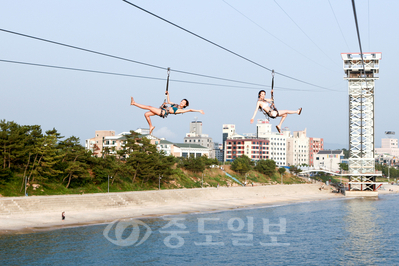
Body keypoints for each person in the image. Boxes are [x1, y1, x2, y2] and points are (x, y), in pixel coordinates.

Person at [131, 91, 204, 134]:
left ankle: (134, 103)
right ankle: (151, 126)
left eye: (183, 102)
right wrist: (167, 94)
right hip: (162, 110)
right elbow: (169, 102)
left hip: (163, 112)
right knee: (146, 114)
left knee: (149, 107)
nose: (182, 103)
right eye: (182, 101)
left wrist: (199, 110)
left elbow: (190, 110)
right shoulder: (176, 105)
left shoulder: (181, 110)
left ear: (185, 105)